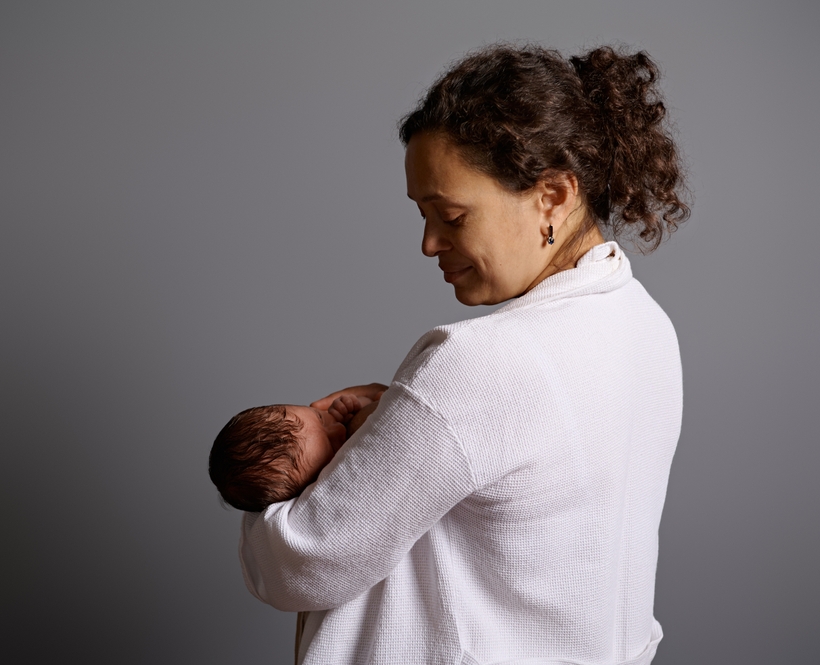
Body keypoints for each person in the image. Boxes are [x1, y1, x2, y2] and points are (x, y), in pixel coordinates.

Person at [239, 44, 690, 665]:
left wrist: (291, 468)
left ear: (553, 195)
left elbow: (303, 564)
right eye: (423, 215)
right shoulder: (645, 324)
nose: (429, 243)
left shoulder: (477, 363)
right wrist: (406, 421)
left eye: (450, 216)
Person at [208, 395, 379, 512]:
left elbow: (376, 402)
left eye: (320, 418)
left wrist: (360, 403)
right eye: (332, 446)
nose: (339, 428)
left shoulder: (340, 420)